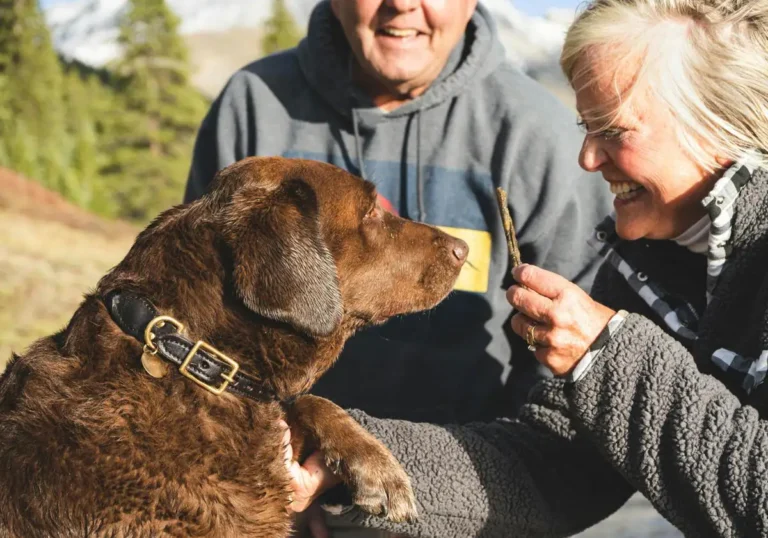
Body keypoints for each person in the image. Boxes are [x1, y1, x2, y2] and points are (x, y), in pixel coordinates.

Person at [286, 0, 768, 536]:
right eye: (587, 127)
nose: (588, 158)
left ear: (719, 121)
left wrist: (604, 359)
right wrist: (346, 458)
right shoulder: (643, 268)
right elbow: (553, 470)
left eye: (614, 129)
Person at [186, 1, 610, 533]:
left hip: (468, 512)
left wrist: (472, 502)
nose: (403, 4)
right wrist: (276, 477)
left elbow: (573, 375)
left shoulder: (537, 135)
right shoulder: (253, 109)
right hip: (275, 506)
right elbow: (198, 333)